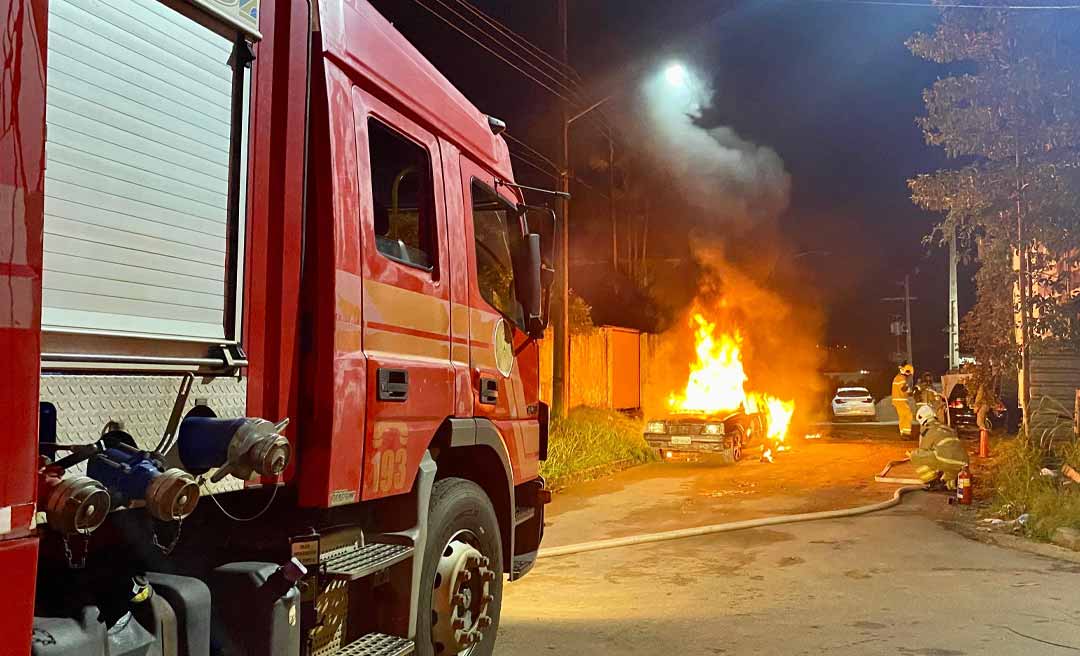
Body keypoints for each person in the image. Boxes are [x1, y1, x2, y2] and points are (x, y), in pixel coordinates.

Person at [910, 405, 970, 489]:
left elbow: (923, 451)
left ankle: (932, 481)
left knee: (915, 455)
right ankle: (950, 483)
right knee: (946, 481)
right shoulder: (946, 427)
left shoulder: (928, 429)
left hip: (947, 461)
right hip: (963, 464)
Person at [891, 364, 915, 438]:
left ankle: (903, 432)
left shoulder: (898, 377)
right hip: (900, 400)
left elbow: (903, 390)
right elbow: (903, 389)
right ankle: (906, 433)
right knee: (908, 415)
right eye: (909, 373)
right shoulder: (901, 378)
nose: (909, 375)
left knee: (903, 417)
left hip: (898, 400)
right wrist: (910, 389)